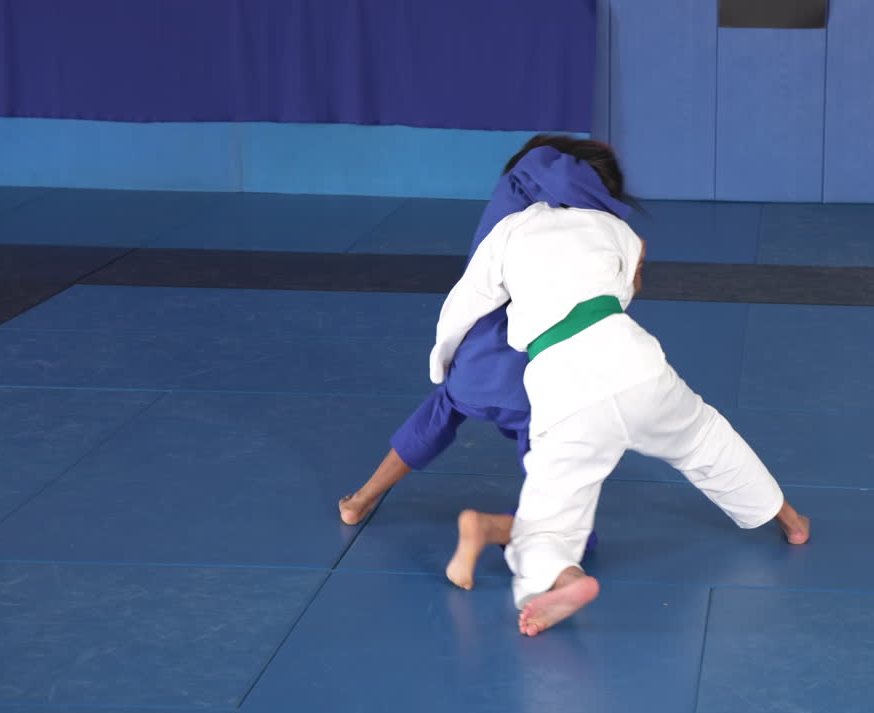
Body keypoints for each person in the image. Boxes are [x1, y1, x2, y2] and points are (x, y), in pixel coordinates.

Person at [428, 163, 811, 636]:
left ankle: (563, 579)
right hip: (633, 361)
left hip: (561, 384)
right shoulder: (615, 227)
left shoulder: (511, 229)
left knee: (548, 521)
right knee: (704, 438)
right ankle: (790, 520)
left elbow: (465, 302)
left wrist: (441, 360)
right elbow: (627, 290)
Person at [337, 137, 632, 565]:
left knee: (442, 408)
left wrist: (446, 357)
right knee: (560, 484)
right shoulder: (606, 230)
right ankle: (520, 533)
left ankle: (361, 499)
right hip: (538, 382)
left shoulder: (509, 199)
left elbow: (468, 297)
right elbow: (611, 312)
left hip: (472, 371)